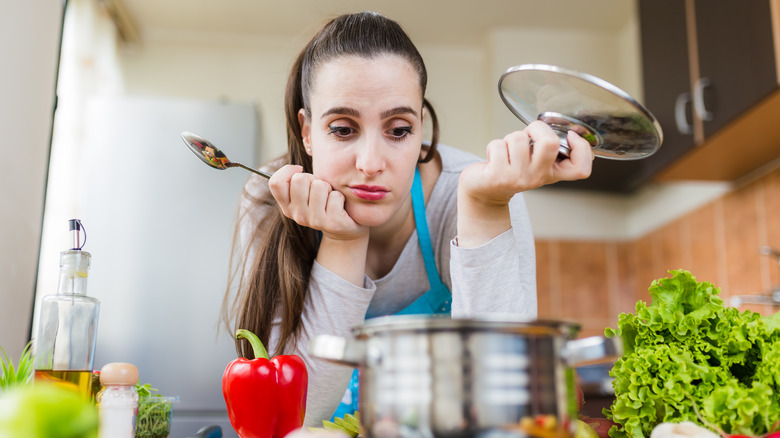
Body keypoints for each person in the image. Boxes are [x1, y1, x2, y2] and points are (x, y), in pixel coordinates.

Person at [222, 11, 593, 426]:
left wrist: (485, 210)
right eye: (343, 129)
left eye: (398, 130)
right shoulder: (266, 200)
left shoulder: (473, 192)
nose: (370, 163)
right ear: (306, 132)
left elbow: (510, 410)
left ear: (421, 130)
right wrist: (344, 243)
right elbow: (291, 423)